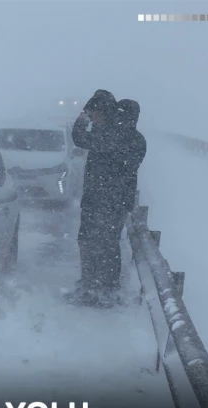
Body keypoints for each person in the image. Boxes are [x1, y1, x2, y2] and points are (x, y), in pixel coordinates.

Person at [66, 91, 147, 307]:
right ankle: (99, 287)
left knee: (96, 243)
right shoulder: (134, 139)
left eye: (98, 115)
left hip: (104, 200)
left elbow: (80, 138)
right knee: (104, 244)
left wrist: (83, 117)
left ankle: (99, 289)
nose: (97, 119)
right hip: (112, 201)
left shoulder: (114, 136)